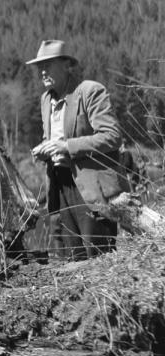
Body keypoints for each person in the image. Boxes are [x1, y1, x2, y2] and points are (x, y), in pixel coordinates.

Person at [26, 39, 126, 260]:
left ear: (66, 65)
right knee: (69, 261)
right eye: (39, 67)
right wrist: (44, 148)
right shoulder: (45, 99)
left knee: (99, 259)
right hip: (58, 188)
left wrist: (67, 147)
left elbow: (112, 137)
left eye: (48, 65)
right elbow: (51, 138)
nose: (42, 72)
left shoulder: (89, 91)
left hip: (89, 189)